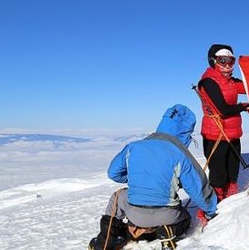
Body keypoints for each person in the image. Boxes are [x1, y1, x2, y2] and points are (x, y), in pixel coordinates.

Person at [88, 104, 218, 250]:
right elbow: (197, 188)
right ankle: (169, 231)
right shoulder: (179, 153)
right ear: (185, 133)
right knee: (185, 218)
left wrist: (141, 180)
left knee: (118, 196)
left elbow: (113, 173)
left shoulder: (134, 146)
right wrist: (210, 211)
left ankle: (106, 240)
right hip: (167, 215)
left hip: (134, 214)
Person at [195, 44, 249, 224]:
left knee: (233, 170)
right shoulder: (208, 81)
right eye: (222, 60)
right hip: (215, 135)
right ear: (213, 61)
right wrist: (242, 107)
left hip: (233, 133)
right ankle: (210, 209)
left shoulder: (231, 81)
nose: (227, 64)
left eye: (230, 60)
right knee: (218, 175)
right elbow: (223, 109)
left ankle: (230, 202)